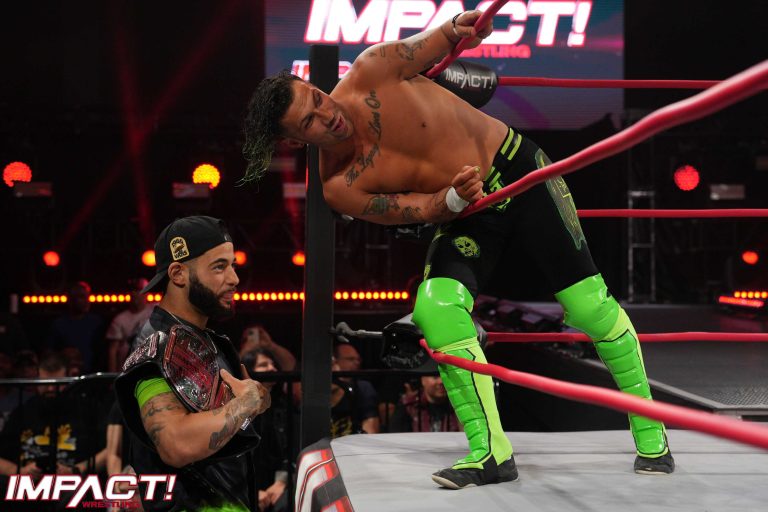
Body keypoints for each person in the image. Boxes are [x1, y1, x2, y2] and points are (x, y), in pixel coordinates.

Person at [243, 10, 674, 489]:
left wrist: (462, 27)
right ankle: (490, 451)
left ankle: (651, 435)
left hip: (519, 170)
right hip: (467, 210)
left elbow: (439, 38)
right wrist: (448, 201)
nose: (328, 115)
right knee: (434, 307)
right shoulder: (340, 186)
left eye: (317, 99)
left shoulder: (371, 69)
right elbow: (413, 210)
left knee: (589, 306)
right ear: (294, 140)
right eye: (310, 122)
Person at [114, 216, 271, 511]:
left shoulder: (212, 343)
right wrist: (247, 402)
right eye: (219, 267)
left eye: (233, 265)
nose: (234, 279)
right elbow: (175, 445)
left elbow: (244, 411)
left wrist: (252, 400)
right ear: (178, 274)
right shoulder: (153, 347)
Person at [0, 352, 107, 506]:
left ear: (69, 378)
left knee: (82, 492)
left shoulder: (88, 410)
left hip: (72, 484)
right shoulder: (23, 412)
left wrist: (77, 469)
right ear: (37, 379)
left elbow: (111, 450)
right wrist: (18, 471)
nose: (51, 389)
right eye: (45, 384)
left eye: (57, 384)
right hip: (28, 484)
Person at [242, 348, 290, 512]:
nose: (272, 368)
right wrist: (253, 491)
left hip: (277, 482)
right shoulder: (237, 408)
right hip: (246, 484)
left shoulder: (284, 405)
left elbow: (292, 448)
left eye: (273, 364)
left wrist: (281, 482)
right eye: (264, 365)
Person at [45, 281, 105, 373]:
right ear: (70, 299)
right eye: (80, 297)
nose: (84, 301)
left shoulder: (96, 322)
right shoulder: (59, 324)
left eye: (86, 297)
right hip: (65, 374)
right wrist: (63, 355)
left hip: (91, 373)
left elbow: (102, 352)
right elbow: (48, 351)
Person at [106, 278, 154, 372]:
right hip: (128, 370)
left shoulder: (156, 310)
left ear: (147, 292)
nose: (135, 294)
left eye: (138, 290)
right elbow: (112, 351)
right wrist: (112, 376)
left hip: (151, 366)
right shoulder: (120, 319)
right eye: (132, 290)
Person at [390, 375, 461, 434]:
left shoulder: (460, 404)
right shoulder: (408, 405)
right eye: (435, 377)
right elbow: (397, 436)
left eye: (445, 376)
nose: (441, 381)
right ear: (423, 380)